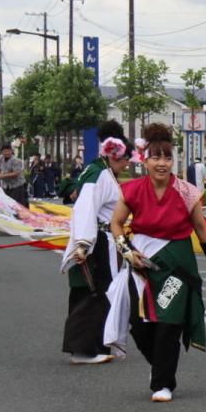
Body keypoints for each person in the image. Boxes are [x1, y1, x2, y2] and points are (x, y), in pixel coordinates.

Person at [105, 123, 206, 402]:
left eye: (167, 157)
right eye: (156, 157)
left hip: (176, 268)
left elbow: (201, 228)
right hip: (141, 264)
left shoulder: (186, 192)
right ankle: (159, 368)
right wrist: (126, 251)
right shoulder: (131, 190)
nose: (162, 163)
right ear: (144, 160)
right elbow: (116, 224)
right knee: (140, 324)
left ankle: (163, 383)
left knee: (169, 322)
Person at [60, 120, 130, 365]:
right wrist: (82, 242)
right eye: (124, 161)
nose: (126, 165)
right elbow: (85, 208)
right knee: (94, 292)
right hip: (95, 241)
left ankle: (93, 344)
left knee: (95, 292)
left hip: (101, 239)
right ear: (114, 155)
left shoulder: (101, 171)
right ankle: (84, 349)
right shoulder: (98, 173)